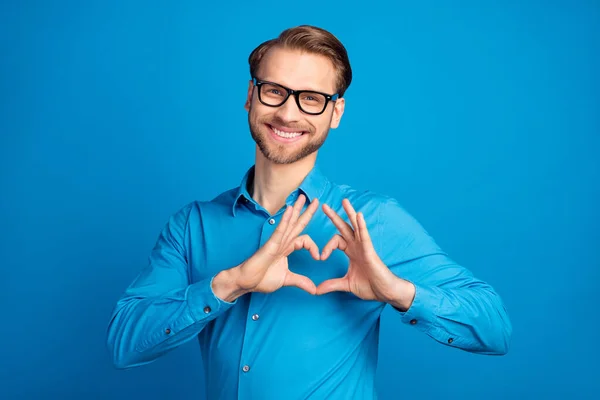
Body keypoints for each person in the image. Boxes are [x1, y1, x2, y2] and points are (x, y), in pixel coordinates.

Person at [106, 25, 512, 399]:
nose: (287, 112)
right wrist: (229, 283)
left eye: (311, 99)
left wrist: (397, 291)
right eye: (274, 91)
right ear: (251, 96)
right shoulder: (191, 226)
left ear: (335, 113)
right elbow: (125, 343)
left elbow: (494, 328)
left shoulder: (370, 221)